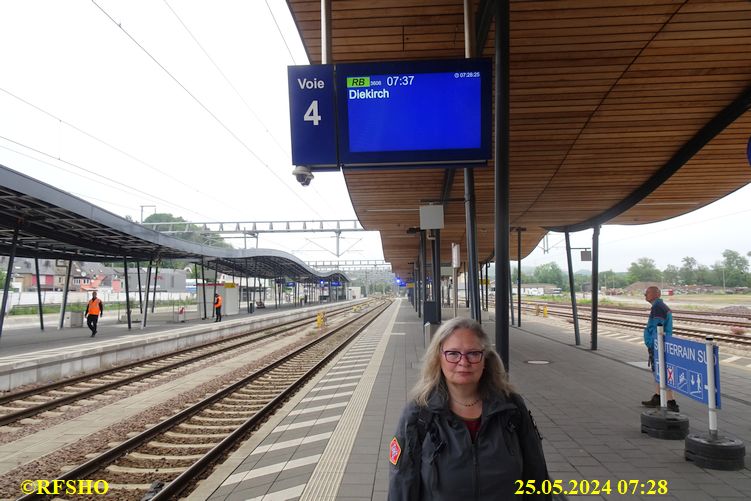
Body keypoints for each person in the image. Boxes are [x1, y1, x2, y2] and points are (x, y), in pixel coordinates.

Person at [388, 317, 550, 500]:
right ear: (438, 357)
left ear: (485, 359)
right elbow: (402, 486)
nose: (463, 362)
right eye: (453, 353)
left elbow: (536, 475)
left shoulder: (511, 408)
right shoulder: (419, 415)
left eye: (473, 353)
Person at [641, 286, 679, 412]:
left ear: (655, 294)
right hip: (658, 344)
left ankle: (671, 402)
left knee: (662, 372)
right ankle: (657, 397)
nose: (645, 295)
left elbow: (658, 327)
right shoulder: (659, 306)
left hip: (658, 345)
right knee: (658, 371)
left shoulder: (658, 307)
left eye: (646, 293)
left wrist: (651, 342)